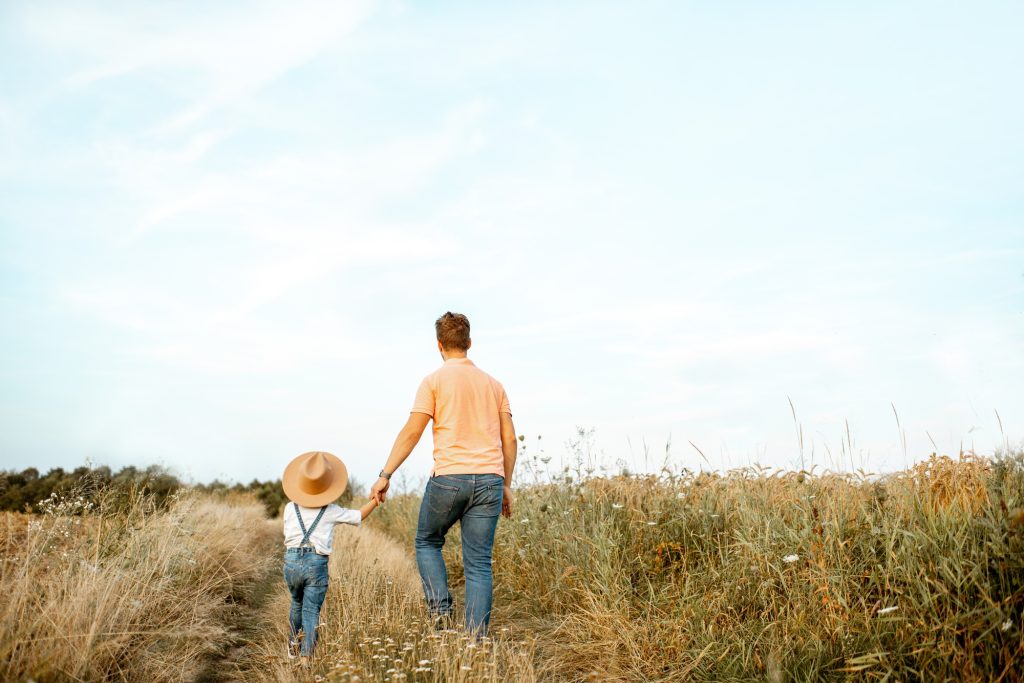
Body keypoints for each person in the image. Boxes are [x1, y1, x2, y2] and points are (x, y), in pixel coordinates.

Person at [371, 312, 517, 637]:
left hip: (450, 477)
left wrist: (386, 473)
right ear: (469, 342)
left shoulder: (433, 381)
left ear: (439, 345)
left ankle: (441, 617)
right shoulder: (495, 386)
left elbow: (413, 431)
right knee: (479, 564)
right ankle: (475, 643)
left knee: (427, 541)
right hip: (490, 480)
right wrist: (505, 484)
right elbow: (509, 438)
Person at [281, 450, 378, 662]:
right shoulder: (331, 510)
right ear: (327, 486)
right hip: (315, 562)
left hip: (291, 560)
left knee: (296, 603)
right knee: (311, 610)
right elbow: (359, 515)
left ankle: (292, 646)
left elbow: (286, 534)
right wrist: (376, 500)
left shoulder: (290, 507)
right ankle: (306, 657)